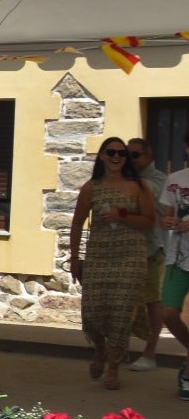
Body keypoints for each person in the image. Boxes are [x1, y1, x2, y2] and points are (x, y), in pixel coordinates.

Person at [70, 137, 156, 390]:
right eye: (111, 152)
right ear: (102, 156)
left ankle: (114, 367)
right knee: (92, 313)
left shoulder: (139, 187)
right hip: (99, 256)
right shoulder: (91, 188)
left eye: (121, 153)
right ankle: (99, 349)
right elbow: (76, 224)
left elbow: (150, 221)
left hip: (130, 258)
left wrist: (124, 215)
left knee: (120, 313)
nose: (117, 157)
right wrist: (75, 258)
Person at [128, 137, 169, 371]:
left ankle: (150, 353)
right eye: (127, 155)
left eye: (135, 155)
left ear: (149, 157)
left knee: (154, 303)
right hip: (129, 251)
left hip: (153, 250)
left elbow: (140, 198)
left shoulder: (157, 181)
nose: (129, 160)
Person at [158, 131, 189, 397]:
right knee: (168, 313)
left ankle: (188, 374)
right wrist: (167, 222)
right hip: (178, 256)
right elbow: (167, 215)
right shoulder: (174, 179)